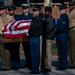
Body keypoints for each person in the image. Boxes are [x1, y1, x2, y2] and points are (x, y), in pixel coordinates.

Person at [28, 6, 43, 74]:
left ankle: (37, 68)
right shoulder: (33, 19)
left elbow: (35, 28)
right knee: (33, 54)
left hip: (37, 37)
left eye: (35, 11)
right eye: (33, 11)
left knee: (37, 54)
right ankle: (34, 68)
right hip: (32, 37)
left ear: (38, 11)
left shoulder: (40, 19)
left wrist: (29, 32)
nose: (34, 12)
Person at [0, 4, 15, 71]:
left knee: (7, 51)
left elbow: (15, 26)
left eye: (0, 10)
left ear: (4, 10)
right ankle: (3, 65)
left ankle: (8, 65)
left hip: (7, 37)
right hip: (0, 36)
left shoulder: (10, 17)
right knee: (1, 52)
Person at [6, 5, 21, 70]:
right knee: (10, 51)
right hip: (9, 37)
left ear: (13, 11)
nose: (10, 11)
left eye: (11, 10)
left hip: (16, 36)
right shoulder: (6, 17)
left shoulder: (17, 17)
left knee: (16, 51)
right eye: (9, 10)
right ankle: (12, 64)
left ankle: (17, 64)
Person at [42, 6, 55, 72]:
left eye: (46, 11)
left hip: (49, 37)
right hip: (46, 37)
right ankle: (45, 65)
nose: (45, 13)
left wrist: (43, 30)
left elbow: (49, 29)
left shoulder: (51, 19)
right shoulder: (46, 18)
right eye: (45, 11)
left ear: (49, 12)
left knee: (48, 52)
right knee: (45, 53)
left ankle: (48, 66)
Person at [19, 4, 33, 69]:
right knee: (26, 51)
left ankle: (31, 63)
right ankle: (27, 63)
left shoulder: (31, 16)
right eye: (23, 9)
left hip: (30, 36)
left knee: (30, 50)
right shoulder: (20, 16)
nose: (24, 10)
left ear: (28, 9)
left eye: (25, 8)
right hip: (24, 36)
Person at [56, 4, 69, 70]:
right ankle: (60, 65)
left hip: (63, 35)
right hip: (59, 35)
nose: (61, 10)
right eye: (60, 9)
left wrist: (55, 29)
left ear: (65, 10)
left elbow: (60, 27)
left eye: (62, 9)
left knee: (63, 51)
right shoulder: (60, 17)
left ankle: (64, 65)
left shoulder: (65, 17)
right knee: (59, 51)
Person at [68, 1, 75, 68]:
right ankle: (71, 63)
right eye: (69, 5)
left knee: (73, 48)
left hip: (73, 31)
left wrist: (70, 26)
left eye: (71, 5)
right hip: (69, 31)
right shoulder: (69, 12)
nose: (69, 6)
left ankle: (74, 63)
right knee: (69, 49)